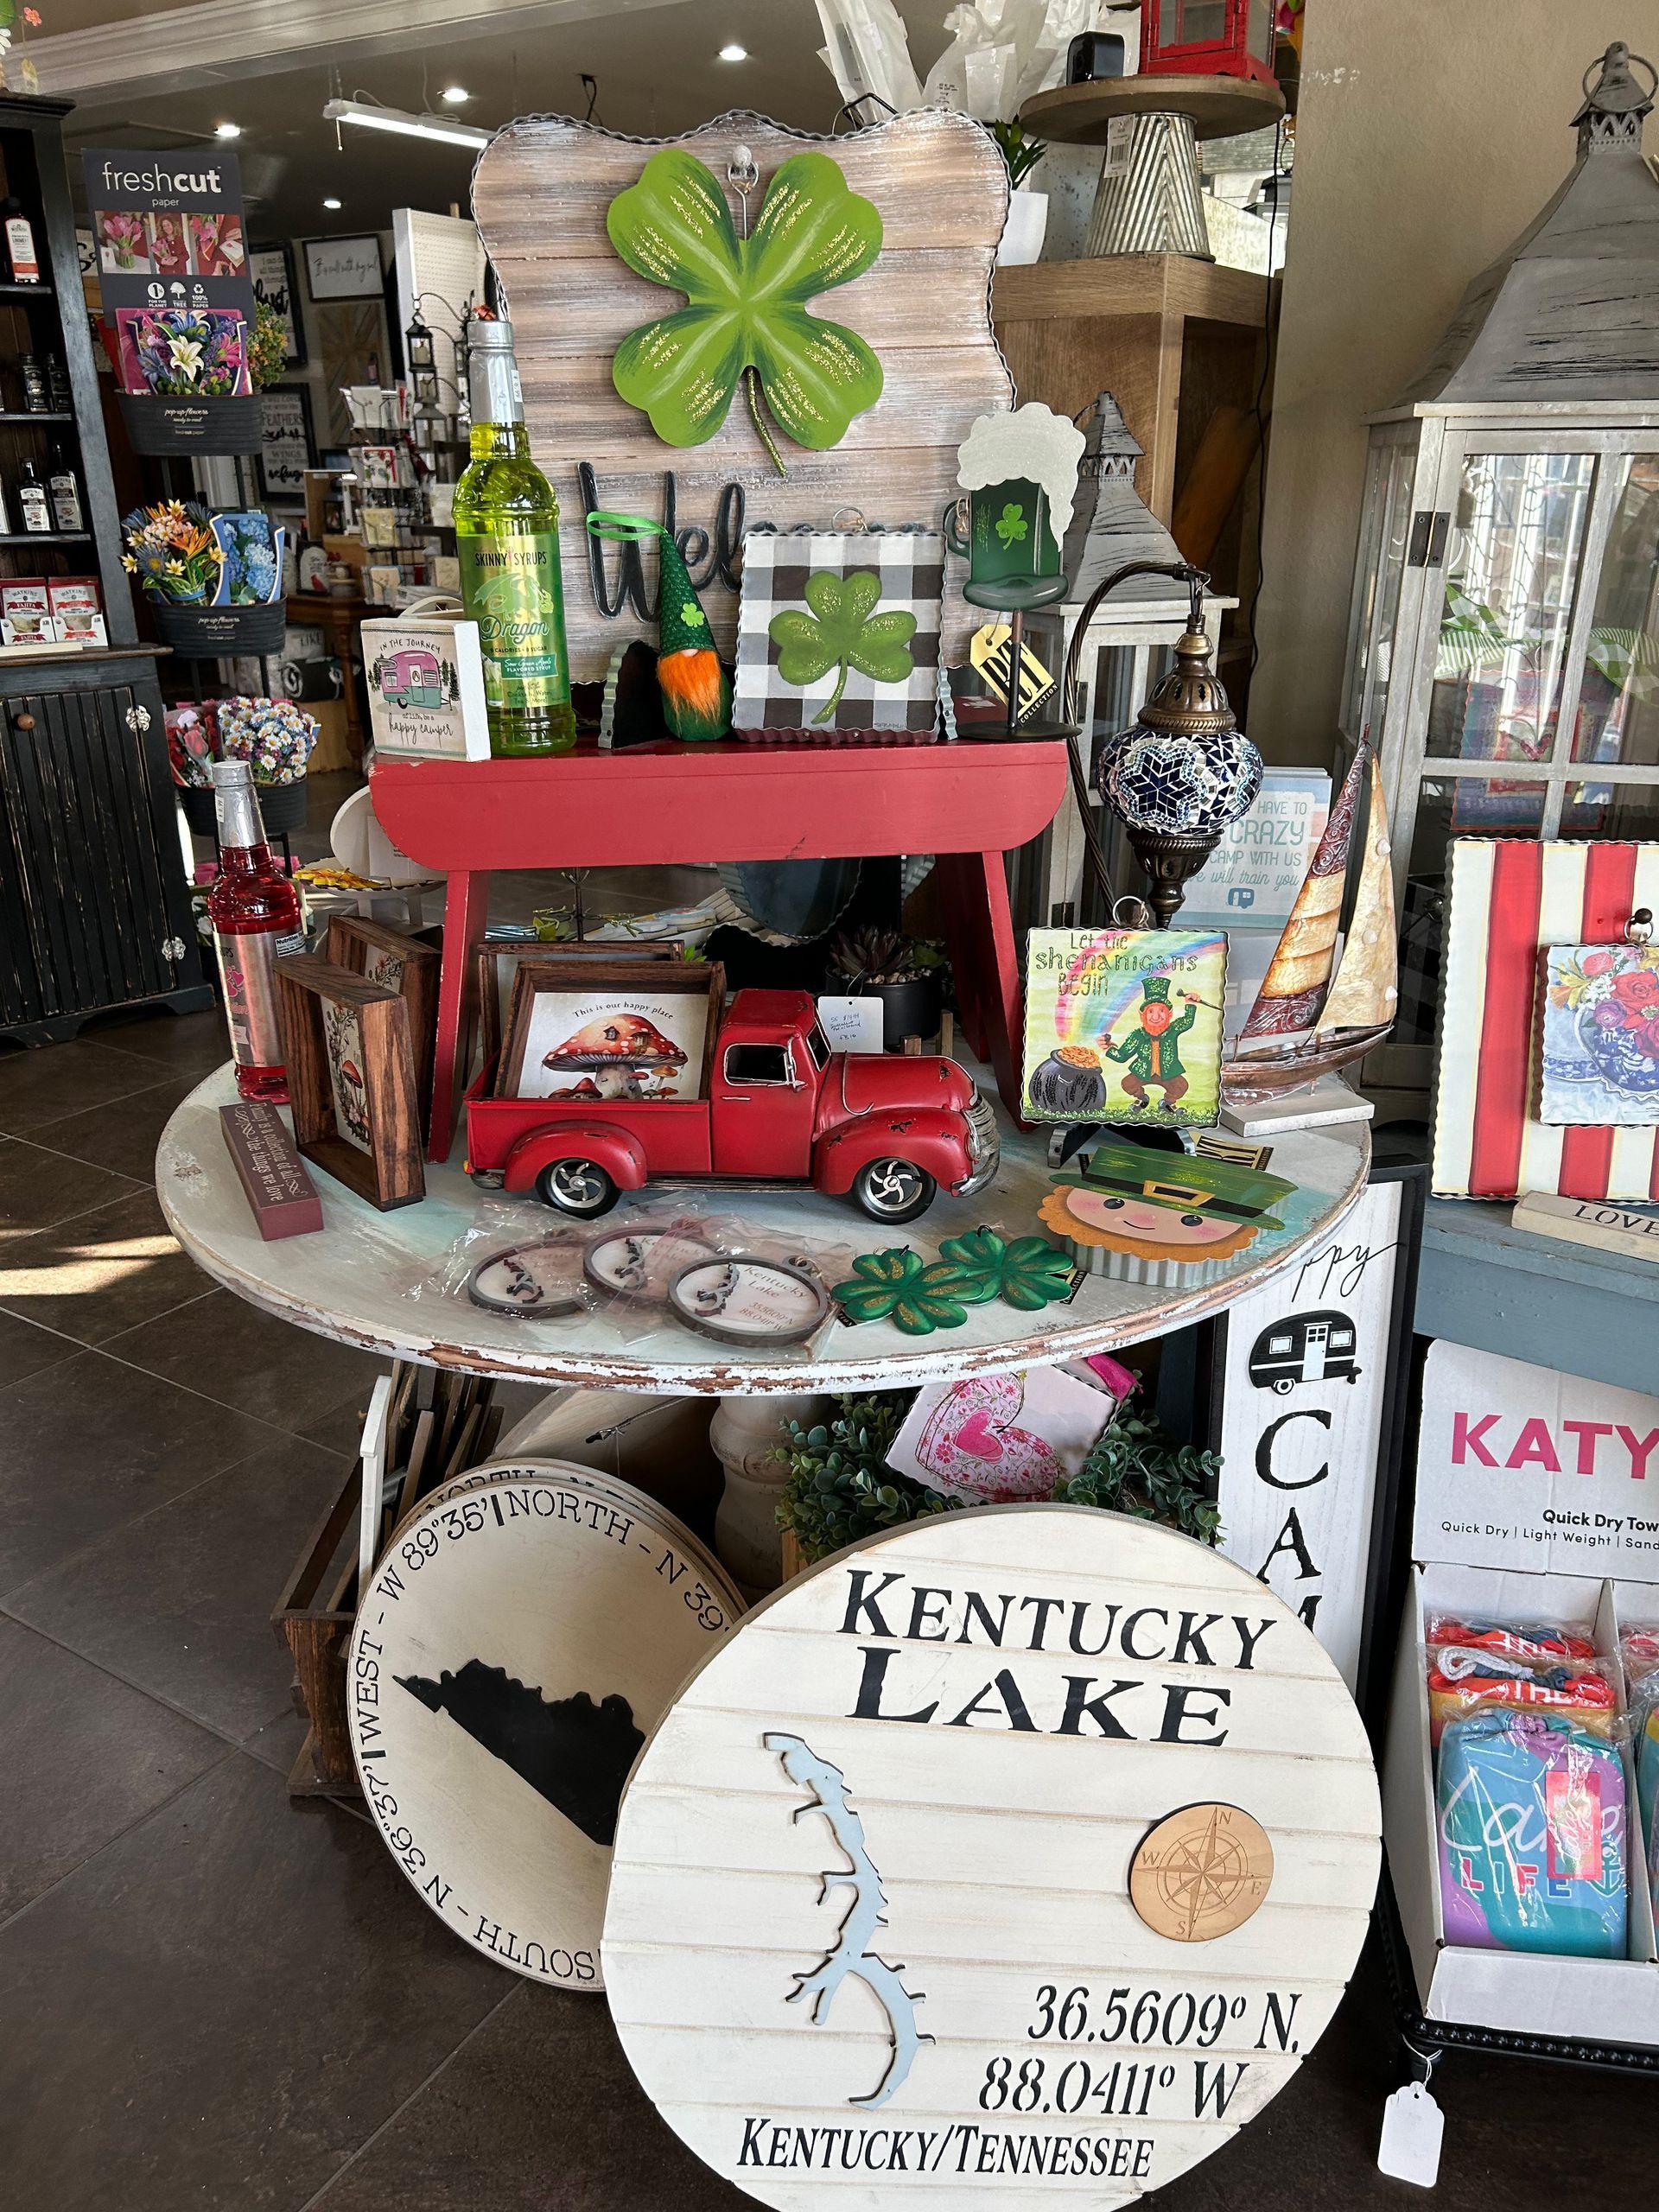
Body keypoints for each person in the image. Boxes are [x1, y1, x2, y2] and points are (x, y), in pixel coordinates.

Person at [1103, 974, 1199, 1110]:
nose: (1156, 1017)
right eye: (1150, 1012)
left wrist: (1190, 1005)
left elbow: (1186, 1023)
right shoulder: (1138, 1035)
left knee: (1181, 1086)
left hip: (1168, 1073)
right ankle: (1142, 1098)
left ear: (1169, 1014)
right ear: (1142, 1015)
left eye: (1162, 1011)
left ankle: (1167, 1103)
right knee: (1128, 1083)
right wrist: (1108, 1048)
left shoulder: (1172, 1030)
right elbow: (1122, 1055)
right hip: (1143, 1072)